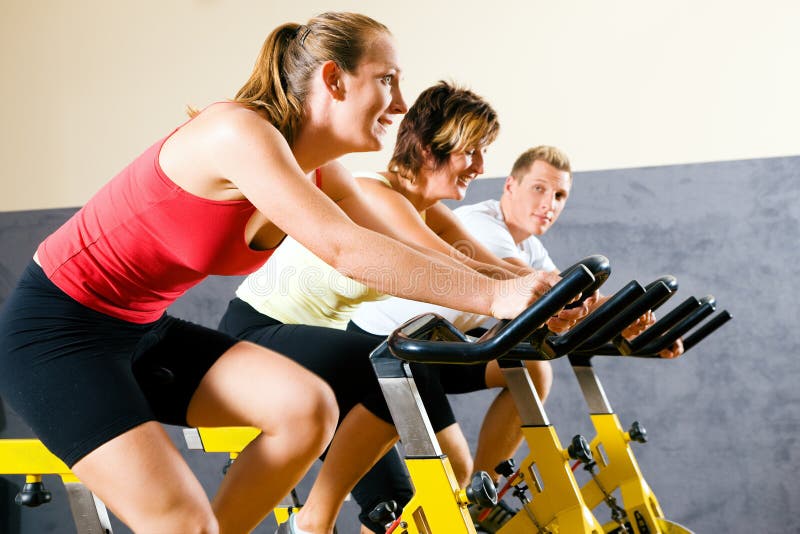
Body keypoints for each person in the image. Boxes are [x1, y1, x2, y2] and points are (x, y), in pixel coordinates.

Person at [0, 14, 553, 534]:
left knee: (306, 408)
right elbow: (345, 247)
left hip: (140, 329)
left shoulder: (314, 165)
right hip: (56, 336)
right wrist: (493, 294)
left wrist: (523, 289)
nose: (400, 103)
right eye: (387, 80)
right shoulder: (236, 133)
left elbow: (405, 243)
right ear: (334, 79)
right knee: (180, 521)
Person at [219, 83, 586, 534]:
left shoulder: (426, 208)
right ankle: (309, 524)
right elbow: (447, 264)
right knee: (400, 371)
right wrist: (528, 294)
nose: (480, 166)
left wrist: (567, 296)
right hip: (261, 335)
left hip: (322, 348)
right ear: (433, 146)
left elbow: (487, 267)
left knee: (397, 503)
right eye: (471, 150)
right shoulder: (374, 194)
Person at [350, 145, 684, 532]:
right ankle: (476, 500)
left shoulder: (531, 246)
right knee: (398, 501)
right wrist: (613, 310)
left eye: (559, 196)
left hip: (440, 349)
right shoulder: (482, 225)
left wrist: (634, 325)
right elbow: (544, 296)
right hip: (393, 348)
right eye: (540, 189)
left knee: (529, 372)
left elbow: (569, 306)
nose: (549, 204)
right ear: (511, 185)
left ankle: (480, 501)